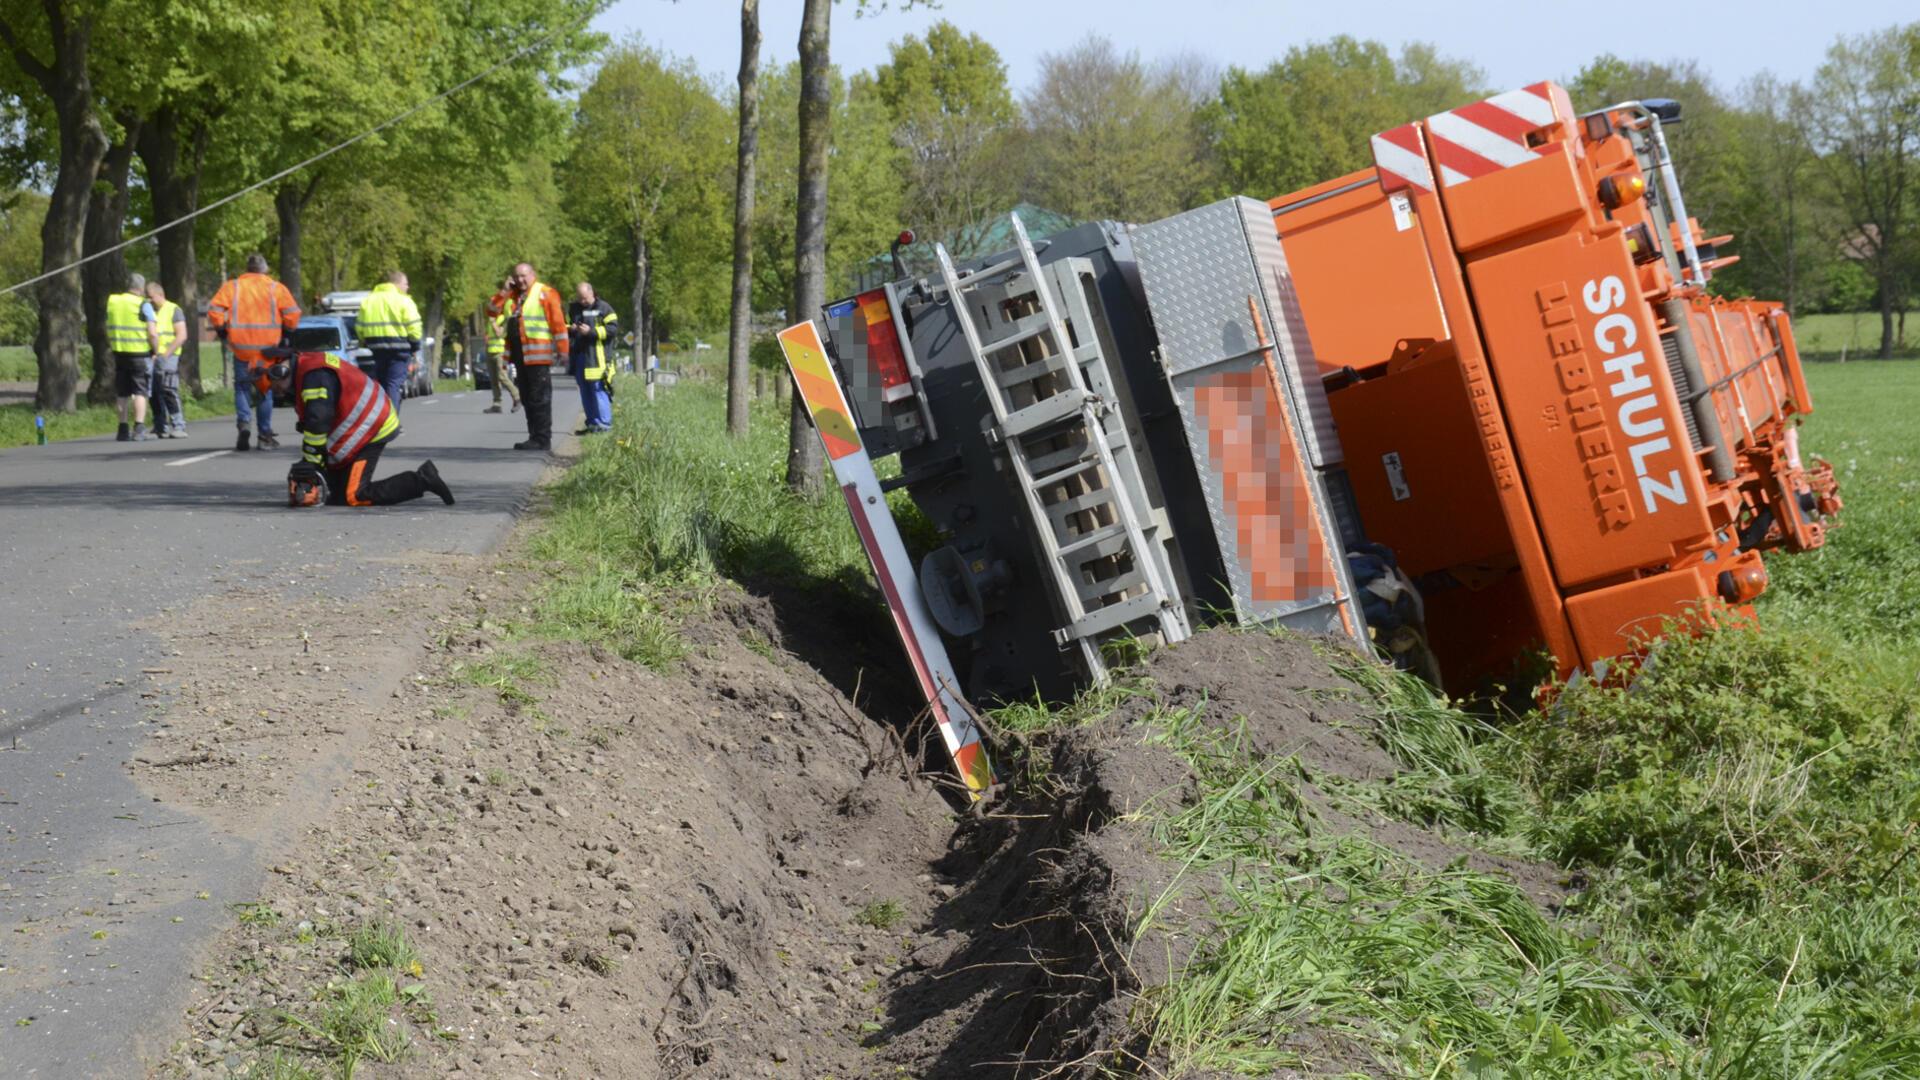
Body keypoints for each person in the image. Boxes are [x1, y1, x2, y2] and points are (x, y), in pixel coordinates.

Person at [263, 349, 454, 509]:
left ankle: (422, 480)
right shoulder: (306, 370)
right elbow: (315, 425)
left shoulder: (314, 375)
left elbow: (318, 421)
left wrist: (312, 462)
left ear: (280, 371)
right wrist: (312, 462)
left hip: (372, 426)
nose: (274, 391)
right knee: (335, 496)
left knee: (354, 495)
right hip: (362, 425)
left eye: (273, 385)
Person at [207, 253, 300, 451]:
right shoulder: (276, 288)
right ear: (264, 269)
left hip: (241, 348)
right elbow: (293, 314)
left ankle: (244, 423)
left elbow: (214, 310)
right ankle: (265, 436)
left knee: (242, 387)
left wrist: (222, 329)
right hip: (267, 350)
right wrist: (287, 332)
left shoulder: (233, 287)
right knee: (265, 390)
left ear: (247, 269)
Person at [485, 262, 566, 450]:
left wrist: (563, 350)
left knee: (540, 398)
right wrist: (504, 291)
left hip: (538, 355)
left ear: (533, 275)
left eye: (524, 276)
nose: (520, 280)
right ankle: (533, 437)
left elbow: (558, 324)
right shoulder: (512, 296)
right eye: (517, 276)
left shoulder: (545, 293)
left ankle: (542, 439)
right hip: (520, 356)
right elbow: (491, 310)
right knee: (527, 397)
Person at [356, 270, 423, 412]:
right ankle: (391, 422)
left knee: (382, 384)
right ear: (397, 284)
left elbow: (359, 327)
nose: (407, 287)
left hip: (376, 349)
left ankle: (380, 418)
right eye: (405, 284)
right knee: (393, 383)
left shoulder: (369, 300)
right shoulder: (404, 300)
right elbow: (414, 326)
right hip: (399, 349)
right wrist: (415, 344)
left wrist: (365, 341)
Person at [106, 272, 159, 442]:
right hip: (139, 353)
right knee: (139, 391)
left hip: (119, 352)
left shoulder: (113, 301)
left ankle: (122, 429)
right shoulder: (143, 305)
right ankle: (139, 428)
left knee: (122, 393)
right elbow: (152, 333)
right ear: (141, 288)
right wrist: (155, 350)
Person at [567, 281, 617, 434]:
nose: (582, 302)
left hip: (598, 358)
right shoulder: (574, 308)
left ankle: (604, 425)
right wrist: (572, 329)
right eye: (580, 298)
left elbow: (613, 329)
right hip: (580, 356)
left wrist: (591, 331)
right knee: (585, 391)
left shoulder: (604, 308)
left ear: (592, 293)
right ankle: (592, 424)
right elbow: (564, 326)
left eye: (585, 298)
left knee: (599, 390)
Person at [146, 280, 190, 438]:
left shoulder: (173, 309)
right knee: (154, 391)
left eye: (151, 297)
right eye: (147, 297)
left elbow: (181, 335)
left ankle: (178, 425)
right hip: (153, 356)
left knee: (169, 389)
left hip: (169, 355)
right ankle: (160, 426)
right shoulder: (149, 311)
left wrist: (165, 354)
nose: (149, 300)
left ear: (160, 294)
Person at [482, 303, 519, 414]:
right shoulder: (489, 321)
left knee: (502, 376)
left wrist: (493, 322)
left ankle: (517, 396)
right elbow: (488, 334)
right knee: (493, 379)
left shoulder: (503, 319)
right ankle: (496, 404)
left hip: (500, 352)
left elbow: (499, 333)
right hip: (490, 351)